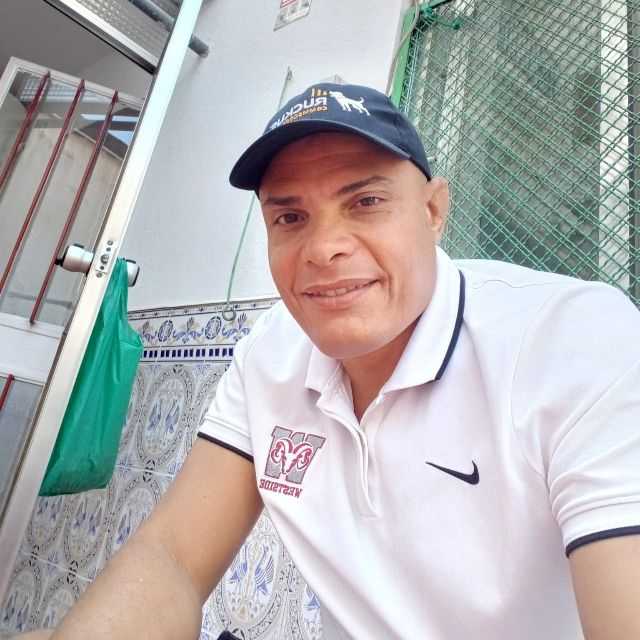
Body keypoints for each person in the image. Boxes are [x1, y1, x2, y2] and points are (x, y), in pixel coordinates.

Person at [16, 83, 640, 639]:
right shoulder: (271, 354)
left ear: (433, 211)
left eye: (365, 202)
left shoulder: (571, 341)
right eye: (290, 216)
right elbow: (173, 556)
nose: (323, 248)